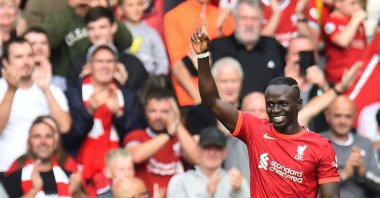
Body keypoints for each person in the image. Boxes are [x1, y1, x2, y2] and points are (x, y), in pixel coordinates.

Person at [193, 27, 340, 197]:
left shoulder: (320, 146)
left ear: (298, 104)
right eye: (270, 104)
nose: (275, 110)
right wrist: (203, 57)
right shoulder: (255, 130)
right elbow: (212, 101)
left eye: (283, 104)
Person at [63, 44, 144, 196]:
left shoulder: (126, 95)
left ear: (116, 66)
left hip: (117, 174)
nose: (105, 66)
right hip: (79, 171)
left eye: (110, 61)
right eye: (99, 61)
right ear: (89, 66)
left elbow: (135, 136)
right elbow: (68, 138)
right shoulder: (74, 93)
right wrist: (89, 112)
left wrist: (119, 114)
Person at [0, 37, 71, 178]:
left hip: (44, 169)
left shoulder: (50, 88)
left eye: (30, 55)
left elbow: (64, 127)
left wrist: (46, 90)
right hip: (6, 168)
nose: (26, 62)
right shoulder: (1, 88)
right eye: (19, 57)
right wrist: (11, 90)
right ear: (6, 62)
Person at [123, 88, 198, 195]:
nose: (158, 116)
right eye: (153, 111)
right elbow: (136, 156)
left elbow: (196, 158)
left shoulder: (180, 137)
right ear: (145, 112)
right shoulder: (135, 136)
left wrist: (177, 123)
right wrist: (167, 135)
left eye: (165, 111)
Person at [41, 0, 133, 84]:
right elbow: (47, 42)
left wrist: (104, 9)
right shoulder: (63, 16)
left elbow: (126, 41)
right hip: (66, 77)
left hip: (104, 74)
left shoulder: (103, 17)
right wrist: (70, 7)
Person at [210, 0, 285, 98]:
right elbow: (186, 68)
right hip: (229, 111)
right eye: (244, 18)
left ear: (261, 20)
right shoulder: (218, 46)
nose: (249, 24)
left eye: (254, 19)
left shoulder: (272, 46)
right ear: (234, 19)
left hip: (266, 111)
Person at [66, 6, 148, 92]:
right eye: (91, 28)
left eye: (102, 27)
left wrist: (122, 86)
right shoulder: (76, 64)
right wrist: (82, 83)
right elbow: (71, 100)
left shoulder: (133, 64)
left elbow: (142, 100)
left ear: (113, 28)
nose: (97, 33)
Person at [0, 116, 85, 197]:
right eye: (37, 136)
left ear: (55, 143)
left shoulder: (70, 177)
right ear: (29, 143)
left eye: (48, 136)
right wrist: (33, 191)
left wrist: (76, 192)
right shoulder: (14, 179)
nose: (43, 141)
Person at [321, 96, 380, 198]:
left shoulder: (365, 144)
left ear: (354, 117)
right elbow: (308, 187)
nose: (342, 121)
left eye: (348, 116)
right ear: (327, 116)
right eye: (337, 116)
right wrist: (343, 174)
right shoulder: (316, 142)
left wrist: (362, 172)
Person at [167, 126, 249, 198]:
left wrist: (238, 192)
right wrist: (208, 194)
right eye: (207, 148)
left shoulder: (236, 181)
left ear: (225, 153)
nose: (212, 153)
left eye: (217, 148)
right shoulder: (180, 181)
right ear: (198, 150)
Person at [118, 0, 169, 76]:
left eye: (139, 4)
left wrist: (156, 80)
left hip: (149, 81)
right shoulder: (118, 32)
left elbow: (162, 62)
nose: (136, 9)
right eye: (130, 5)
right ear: (120, 9)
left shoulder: (151, 33)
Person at [323, 0, 367, 83]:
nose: (357, 7)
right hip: (337, 79)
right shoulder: (331, 20)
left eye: (359, 3)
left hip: (357, 78)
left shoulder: (359, 24)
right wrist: (356, 19)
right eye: (353, 3)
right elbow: (343, 42)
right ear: (337, 3)